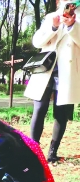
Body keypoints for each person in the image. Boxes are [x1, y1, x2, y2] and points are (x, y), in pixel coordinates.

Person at [25, 1, 80, 162]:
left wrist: (72, 26)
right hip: (46, 71)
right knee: (39, 109)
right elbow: (37, 42)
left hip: (68, 73)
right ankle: (34, 151)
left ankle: (52, 153)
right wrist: (53, 27)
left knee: (61, 114)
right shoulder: (51, 17)